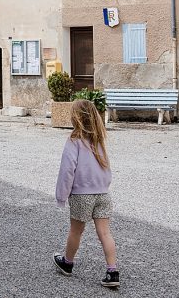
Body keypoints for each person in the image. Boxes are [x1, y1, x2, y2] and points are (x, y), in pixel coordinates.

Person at [53, 99, 119, 289]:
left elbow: (67, 171)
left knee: (76, 231)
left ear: (76, 119)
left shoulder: (74, 141)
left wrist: (61, 196)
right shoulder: (99, 140)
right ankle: (112, 271)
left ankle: (67, 262)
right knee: (105, 233)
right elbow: (106, 169)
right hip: (103, 193)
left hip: (82, 194)